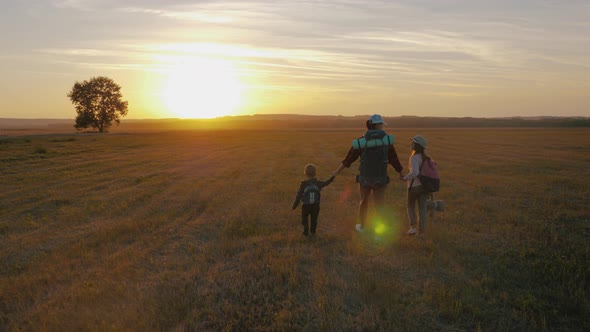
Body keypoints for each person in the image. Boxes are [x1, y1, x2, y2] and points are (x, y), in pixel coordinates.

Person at [332, 114, 403, 233]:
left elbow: (349, 159)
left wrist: (336, 171)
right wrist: (401, 172)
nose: (382, 127)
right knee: (379, 205)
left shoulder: (361, 141)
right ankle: (379, 229)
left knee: (363, 203)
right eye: (381, 125)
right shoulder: (386, 141)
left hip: (364, 178)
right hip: (381, 179)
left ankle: (362, 227)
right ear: (378, 125)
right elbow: (394, 159)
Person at [292, 164, 335, 236]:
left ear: (305, 173)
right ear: (315, 173)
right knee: (314, 219)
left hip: (305, 206)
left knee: (304, 218)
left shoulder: (303, 184)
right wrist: (332, 177)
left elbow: (298, 195)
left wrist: (295, 205)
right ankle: (313, 231)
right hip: (315, 205)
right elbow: (326, 183)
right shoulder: (318, 183)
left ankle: (305, 230)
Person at [401, 134, 430, 235]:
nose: (411, 144)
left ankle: (413, 228)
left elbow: (415, 172)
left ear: (416, 145)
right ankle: (422, 231)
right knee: (422, 208)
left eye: (413, 142)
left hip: (414, 187)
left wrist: (405, 178)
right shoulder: (425, 157)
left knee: (410, 206)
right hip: (425, 186)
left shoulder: (414, 157)